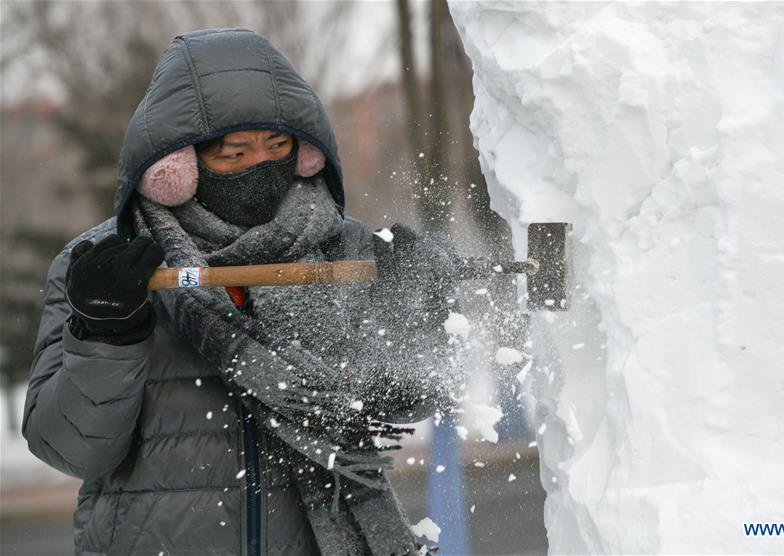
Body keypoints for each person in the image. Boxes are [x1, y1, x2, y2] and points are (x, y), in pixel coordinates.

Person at [23, 28, 463, 556]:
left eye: (277, 148)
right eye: (233, 155)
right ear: (176, 168)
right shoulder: (98, 267)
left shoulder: (340, 250)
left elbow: (405, 399)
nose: (259, 168)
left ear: (305, 154)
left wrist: (414, 307)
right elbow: (71, 448)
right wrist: (105, 334)